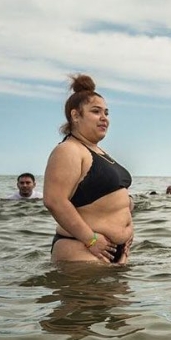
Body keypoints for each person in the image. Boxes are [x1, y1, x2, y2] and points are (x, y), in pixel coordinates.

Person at [43, 74, 133, 264]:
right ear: (75, 115)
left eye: (106, 113)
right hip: (82, 248)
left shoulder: (99, 152)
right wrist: (90, 239)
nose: (104, 118)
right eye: (96, 112)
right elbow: (54, 201)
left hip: (112, 252)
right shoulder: (68, 150)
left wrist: (127, 231)